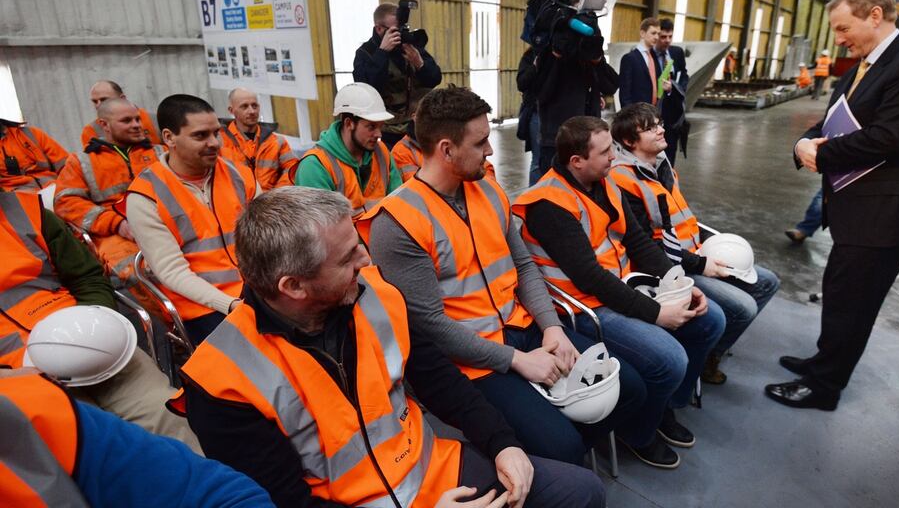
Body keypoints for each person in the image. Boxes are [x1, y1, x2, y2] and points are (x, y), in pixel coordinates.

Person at [172, 186, 605, 508]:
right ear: (294, 286)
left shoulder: (373, 294)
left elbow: (442, 382)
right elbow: (284, 502)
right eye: (348, 257)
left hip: (433, 471)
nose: (366, 260)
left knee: (581, 492)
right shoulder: (222, 381)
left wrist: (502, 443)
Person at [358, 87, 645, 468]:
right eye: (480, 143)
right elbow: (429, 325)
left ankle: (561, 445)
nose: (491, 151)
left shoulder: (489, 191)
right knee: (562, 446)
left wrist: (552, 327)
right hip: (470, 360)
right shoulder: (397, 223)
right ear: (446, 150)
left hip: (523, 327)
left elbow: (523, 266)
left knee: (631, 389)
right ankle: (554, 455)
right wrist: (516, 361)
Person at [767, 0, 899, 410]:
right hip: (857, 209)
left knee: (854, 304)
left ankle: (824, 387)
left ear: (875, 16)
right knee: (840, 292)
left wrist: (821, 154)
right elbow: (828, 121)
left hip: (886, 214)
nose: (839, 39)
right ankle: (823, 362)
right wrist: (803, 143)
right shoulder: (861, 68)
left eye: (844, 28)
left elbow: (890, 137)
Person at [512, 115, 727, 469]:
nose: (614, 157)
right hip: (585, 309)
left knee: (709, 321)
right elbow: (591, 278)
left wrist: (677, 281)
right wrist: (656, 313)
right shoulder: (548, 204)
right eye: (604, 152)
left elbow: (638, 241)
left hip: (624, 286)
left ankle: (664, 405)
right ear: (576, 161)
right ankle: (639, 433)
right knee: (669, 360)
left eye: (612, 148)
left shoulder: (604, 180)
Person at [0, 189, 199, 449]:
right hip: (20, 374)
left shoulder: (28, 212)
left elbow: (87, 277)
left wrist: (94, 327)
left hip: (89, 338)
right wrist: (11, 376)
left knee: (167, 415)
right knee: (92, 446)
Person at [609, 103, 780, 385]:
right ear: (629, 141)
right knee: (743, 308)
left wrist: (710, 248)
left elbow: (680, 218)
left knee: (767, 282)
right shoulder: (622, 179)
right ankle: (704, 357)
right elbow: (646, 246)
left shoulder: (661, 165)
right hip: (671, 267)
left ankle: (711, 353)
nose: (661, 130)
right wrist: (701, 265)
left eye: (659, 123)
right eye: (650, 128)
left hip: (695, 252)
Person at [0, 371, 273, 507]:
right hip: (32, 369)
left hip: (94, 344)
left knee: (166, 412)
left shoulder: (25, 413)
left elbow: (219, 495)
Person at [126, 94, 259, 345]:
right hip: (201, 306)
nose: (214, 143)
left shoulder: (238, 175)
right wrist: (231, 304)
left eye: (216, 133)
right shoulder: (145, 196)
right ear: (169, 138)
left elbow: (272, 235)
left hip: (256, 287)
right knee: (256, 354)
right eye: (200, 136)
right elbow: (173, 272)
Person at [54, 99, 164, 285]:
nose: (137, 125)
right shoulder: (81, 162)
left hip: (164, 222)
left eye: (138, 119)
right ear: (104, 124)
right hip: (115, 234)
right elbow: (66, 202)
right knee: (139, 272)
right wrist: (117, 223)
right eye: (127, 121)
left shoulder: (161, 152)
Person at [532, 0, 619, 180]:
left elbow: (611, 85)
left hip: (589, 142)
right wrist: (557, 55)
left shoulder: (589, 58)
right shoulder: (548, 53)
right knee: (555, 188)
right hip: (557, 140)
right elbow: (541, 93)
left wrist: (596, 59)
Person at [292, 83, 402, 218]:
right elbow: (320, 226)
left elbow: (399, 202)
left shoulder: (381, 152)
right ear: (349, 123)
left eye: (380, 127)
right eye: (371, 127)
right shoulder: (314, 166)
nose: (379, 134)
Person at [353, 2, 442, 148]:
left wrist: (419, 63)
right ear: (379, 28)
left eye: (403, 29)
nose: (400, 34)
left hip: (418, 126)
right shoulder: (366, 53)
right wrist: (382, 53)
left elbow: (435, 79)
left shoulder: (410, 47)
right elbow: (367, 89)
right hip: (387, 130)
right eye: (395, 30)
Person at [219, 88, 297, 190]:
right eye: (244, 106)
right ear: (231, 110)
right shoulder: (219, 142)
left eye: (254, 106)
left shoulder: (277, 141)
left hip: (271, 197)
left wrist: (277, 193)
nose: (252, 111)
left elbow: (292, 168)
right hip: (236, 198)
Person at [81, 80, 160, 147]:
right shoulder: (91, 130)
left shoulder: (154, 120)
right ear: (104, 124)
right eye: (95, 101)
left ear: (122, 98)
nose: (98, 105)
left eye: (104, 100)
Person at [655, 19, 690, 164]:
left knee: (670, 153)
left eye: (670, 36)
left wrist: (676, 89)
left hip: (672, 112)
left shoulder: (677, 52)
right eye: (663, 37)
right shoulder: (650, 55)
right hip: (655, 109)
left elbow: (684, 75)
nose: (667, 40)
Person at [0, 118, 67, 192]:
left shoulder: (30, 133)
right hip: (18, 195)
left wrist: (67, 185)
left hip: (53, 188)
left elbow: (64, 164)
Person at [516, 46, 544, 185]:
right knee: (538, 160)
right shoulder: (530, 55)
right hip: (537, 114)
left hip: (559, 114)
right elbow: (521, 83)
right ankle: (534, 195)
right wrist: (534, 66)